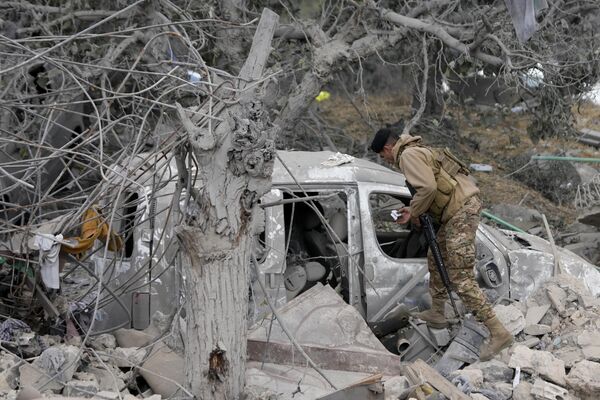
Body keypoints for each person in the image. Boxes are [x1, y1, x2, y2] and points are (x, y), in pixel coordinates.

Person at [370, 127, 513, 361]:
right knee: (435, 259)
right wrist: (412, 210)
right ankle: (438, 312)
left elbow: (427, 188)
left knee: (461, 277)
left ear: (387, 148)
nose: (385, 160)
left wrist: (414, 210)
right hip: (455, 212)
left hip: (460, 212)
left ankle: (498, 332)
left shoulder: (407, 155)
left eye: (382, 155)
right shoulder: (417, 150)